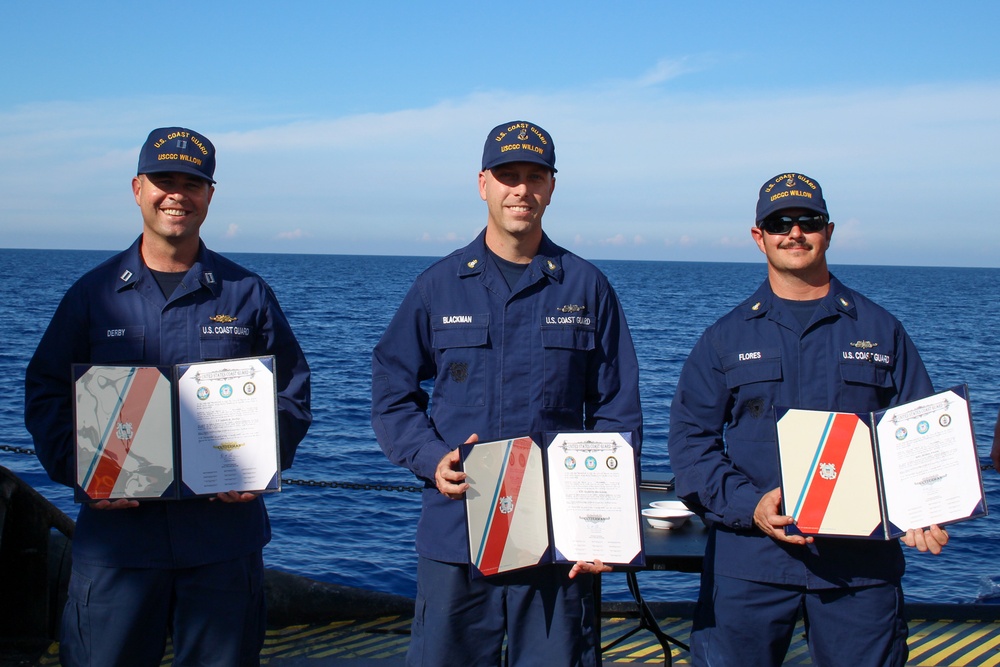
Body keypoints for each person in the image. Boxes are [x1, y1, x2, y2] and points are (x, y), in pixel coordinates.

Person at [24, 127, 312, 667]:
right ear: (137, 188)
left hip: (222, 541)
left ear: (209, 196)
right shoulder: (92, 295)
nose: (176, 194)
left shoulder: (246, 293)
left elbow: (292, 390)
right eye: (163, 181)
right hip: (118, 544)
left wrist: (261, 461)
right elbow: (45, 391)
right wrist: (80, 468)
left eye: (192, 183)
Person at [371, 120, 642, 666]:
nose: (521, 189)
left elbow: (618, 411)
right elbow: (391, 388)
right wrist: (429, 458)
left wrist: (604, 528)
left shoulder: (586, 287)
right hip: (458, 532)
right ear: (483, 185)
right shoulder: (438, 285)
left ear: (551, 187)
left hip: (557, 545)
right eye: (508, 176)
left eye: (534, 176)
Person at [667, 172, 949, 666]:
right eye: (779, 222)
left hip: (860, 570)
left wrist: (926, 506)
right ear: (760, 236)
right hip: (748, 563)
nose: (794, 232)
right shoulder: (725, 337)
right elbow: (691, 445)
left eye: (808, 220)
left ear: (829, 231)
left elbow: (921, 432)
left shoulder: (882, 331)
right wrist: (749, 505)